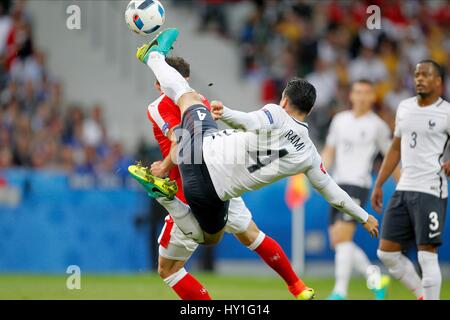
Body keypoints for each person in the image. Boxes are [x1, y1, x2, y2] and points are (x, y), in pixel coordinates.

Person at [129, 28, 379, 291]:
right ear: (310, 109)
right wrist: (363, 217)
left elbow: (249, 121)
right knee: (210, 238)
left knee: (187, 96)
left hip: (200, 152)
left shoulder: (276, 113)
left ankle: (153, 56)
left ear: (284, 100)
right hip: (211, 192)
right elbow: (333, 193)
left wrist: (225, 112)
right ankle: (296, 287)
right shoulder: (309, 155)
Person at [141, 56, 315, 300]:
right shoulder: (199, 99)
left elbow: (181, 140)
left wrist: (163, 168)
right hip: (222, 178)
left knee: (169, 269)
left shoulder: (158, 106)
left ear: (160, 84)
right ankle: (297, 286)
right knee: (252, 234)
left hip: (190, 190)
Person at [372, 60, 449, 300]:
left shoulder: (446, 111)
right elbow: (395, 148)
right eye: (417, 74)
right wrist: (379, 183)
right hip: (404, 187)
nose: (419, 78)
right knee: (387, 253)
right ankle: (422, 295)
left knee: (427, 255)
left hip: (430, 189)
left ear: (438, 82)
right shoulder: (404, 107)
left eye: (426, 74)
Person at [321, 79, 397, 300]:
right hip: (335, 185)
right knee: (338, 242)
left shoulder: (378, 126)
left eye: (366, 92)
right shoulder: (339, 120)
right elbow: (329, 150)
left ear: (373, 97)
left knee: (343, 239)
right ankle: (376, 278)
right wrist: (318, 172)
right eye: (358, 92)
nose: (362, 96)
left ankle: (339, 292)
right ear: (351, 96)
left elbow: (391, 158)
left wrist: (403, 185)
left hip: (358, 184)